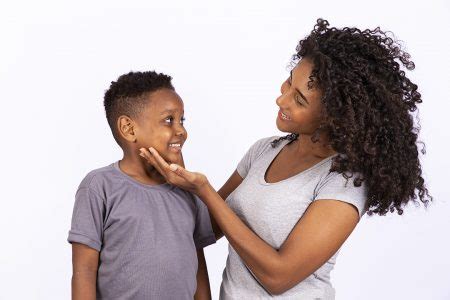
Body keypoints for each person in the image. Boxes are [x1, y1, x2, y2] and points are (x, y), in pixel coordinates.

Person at [139, 19, 431, 299]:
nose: (282, 99)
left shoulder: (344, 181)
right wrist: (175, 169)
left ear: (336, 117)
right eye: (289, 83)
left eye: (299, 99)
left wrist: (204, 190)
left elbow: (278, 277)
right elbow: (204, 231)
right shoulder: (264, 150)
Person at [68, 71, 216, 300]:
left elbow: (197, 264)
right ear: (129, 128)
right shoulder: (99, 187)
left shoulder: (189, 189)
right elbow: (84, 271)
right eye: (169, 120)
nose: (181, 131)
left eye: (182, 120)